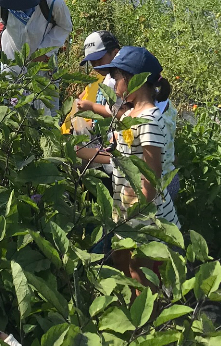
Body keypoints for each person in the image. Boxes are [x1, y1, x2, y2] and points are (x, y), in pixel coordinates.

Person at [76, 46, 180, 275]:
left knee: (140, 274)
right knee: (120, 259)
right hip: (125, 209)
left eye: (115, 76)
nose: (112, 82)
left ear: (133, 79)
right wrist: (82, 150)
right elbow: (123, 156)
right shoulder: (130, 115)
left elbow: (151, 180)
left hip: (146, 217)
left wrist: (133, 219)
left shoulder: (149, 122)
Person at [61, 30, 122, 135]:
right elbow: (98, 121)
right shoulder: (105, 79)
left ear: (115, 53)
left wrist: (92, 107)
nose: (96, 66)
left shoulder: (122, 82)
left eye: (99, 59)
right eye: (92, 63)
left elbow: (123, 114)